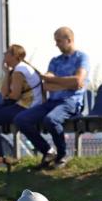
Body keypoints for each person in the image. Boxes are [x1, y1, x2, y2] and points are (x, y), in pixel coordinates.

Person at [15, 27, 90, 170]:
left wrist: (56, 81)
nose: (56, 44)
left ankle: (62, 155)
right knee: (21, 119)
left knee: (51, 120)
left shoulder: (82, 58)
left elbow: (78, 81)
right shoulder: (55, 61)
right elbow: (46, 85)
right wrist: (66, 83)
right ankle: (48, 151)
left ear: (69, 40)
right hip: (52, 102)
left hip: (70, 102)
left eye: (59, 41)